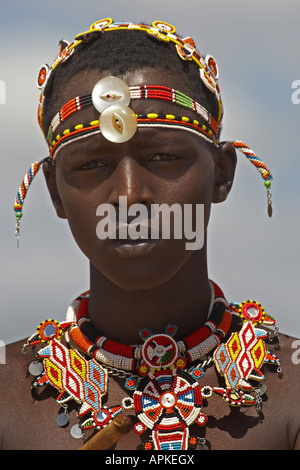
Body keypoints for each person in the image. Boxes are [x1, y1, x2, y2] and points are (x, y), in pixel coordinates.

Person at [1, 18, 299, 451]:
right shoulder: (9, 402)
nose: (128, 196)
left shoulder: (291, 395)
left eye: (163, 156)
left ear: (221, 174)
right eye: (93, 164)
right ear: (56, 194)